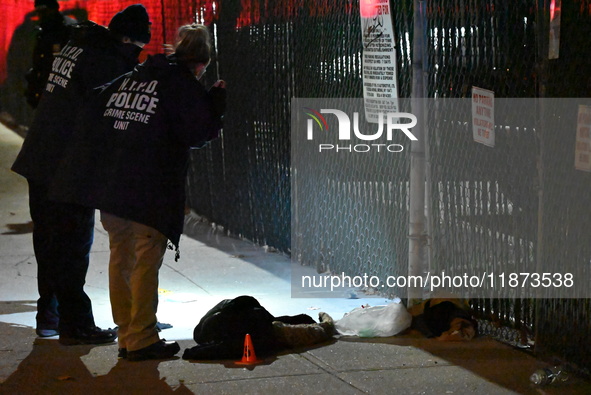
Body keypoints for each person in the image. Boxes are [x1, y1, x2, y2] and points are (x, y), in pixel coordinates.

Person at [51, 23, 226, 361]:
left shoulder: (135, 76)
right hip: (149, 190)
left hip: (113, 187)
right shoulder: (180, 85)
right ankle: (142, 336)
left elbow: (97, 107)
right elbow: (199, 133)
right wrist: (215, 104)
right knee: (146, 262)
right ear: (201, 63)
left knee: (121, 259)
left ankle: (127, 332)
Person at [11, 4, 153, 345]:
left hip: (41, 157)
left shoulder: (79, 45)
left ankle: (50, 316)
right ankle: (77, 325)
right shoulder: (106, 62)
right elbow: (107, 119)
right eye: (136, 49)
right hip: (67, 167)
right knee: (73, 246)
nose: (136, 57)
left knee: (49, 244)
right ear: (126, 40)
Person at [24, 0, 77, 108]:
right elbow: (39, 62)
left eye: (44, 11)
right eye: (38, 12)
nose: (41, 16)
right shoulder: (43, 30)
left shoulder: (69, 29)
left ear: (53, 9)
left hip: (63, 88)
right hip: (46, 87)